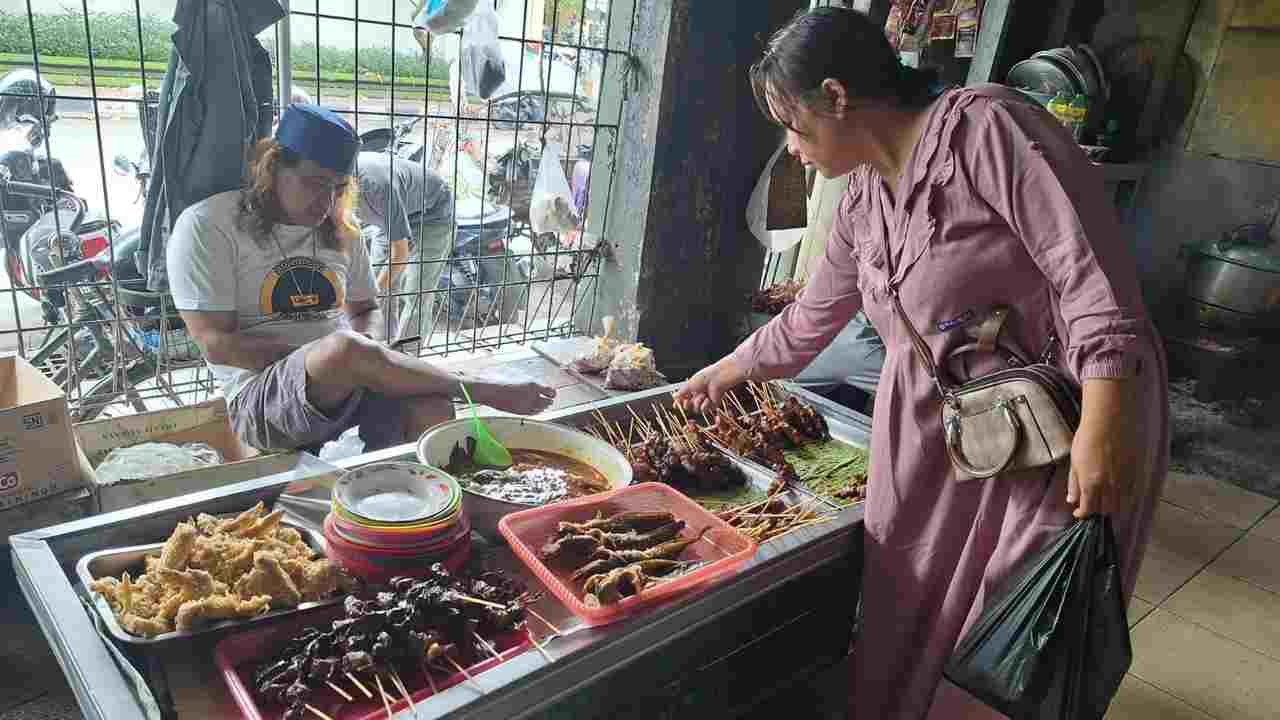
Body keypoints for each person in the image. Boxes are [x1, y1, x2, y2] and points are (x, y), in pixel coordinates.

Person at [675, 8, 1168, 720]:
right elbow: (811, 319)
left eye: (794, 123)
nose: (791, 147)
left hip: (1061, 419)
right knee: (907, 595)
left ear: (837, 97)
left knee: (1006, 620)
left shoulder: (989, 131)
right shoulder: (862, 202)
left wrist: (1104, 424)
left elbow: (1092, 278)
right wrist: (724, 371)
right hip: (949, 429)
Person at [167, 103, 555, 454]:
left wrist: (366, 349)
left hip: (350, 380)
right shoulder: (209, 226)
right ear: (272, 169)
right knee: (346, 351)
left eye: (337, 188)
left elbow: (365, 308)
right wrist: (341, 361)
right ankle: (480, 388)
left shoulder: (340, 230)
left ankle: (413, 508)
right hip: (260, 398)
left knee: (430, 404)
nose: (325, 202)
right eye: (314, 183)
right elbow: (216, 345)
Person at [356, 151, 454, 342]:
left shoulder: (376, 187)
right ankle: (378, 347)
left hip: (432, 214)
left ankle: (407, 358)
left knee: (416, 292)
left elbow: (399, 255)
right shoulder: (326, 189)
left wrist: (367, 295)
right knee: (379, 281)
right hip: (392, 216)